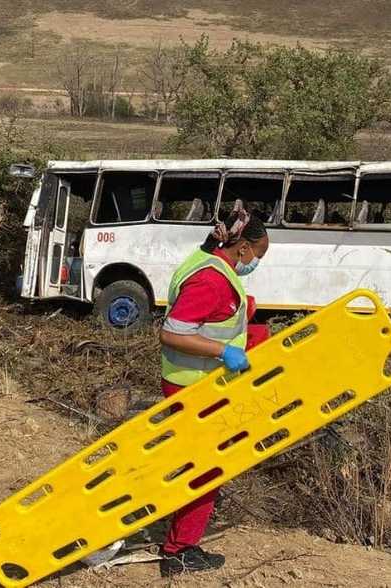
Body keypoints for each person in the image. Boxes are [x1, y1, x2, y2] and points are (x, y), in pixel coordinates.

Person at [157, 203, 270, 576]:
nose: (256, 262)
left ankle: (179, 539)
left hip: (193, 382)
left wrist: (242, 312)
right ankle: (179, 550)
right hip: (194, 388)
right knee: (208, 467)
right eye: (258, 255)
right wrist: (225, 351)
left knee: (201, 462)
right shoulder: (211, 279)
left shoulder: (208, 259)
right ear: (242, 249)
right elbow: (172, 333)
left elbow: (216, 313)